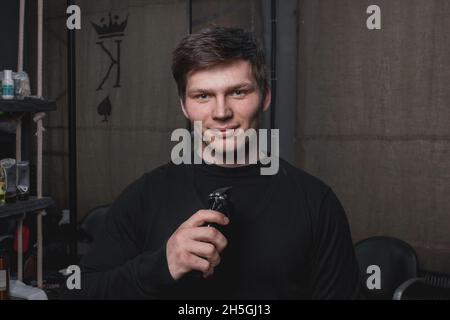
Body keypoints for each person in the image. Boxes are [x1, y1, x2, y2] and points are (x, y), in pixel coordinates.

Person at [74, 26, 360, 299]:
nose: (221, 112)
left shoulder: (315, 202)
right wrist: (161, 266)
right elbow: (81, 292)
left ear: (265, 97)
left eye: (238, 92)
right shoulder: (144, 196)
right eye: (203, 96)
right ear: (184, 106)